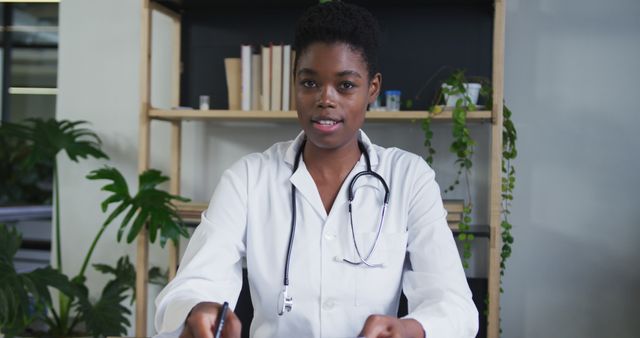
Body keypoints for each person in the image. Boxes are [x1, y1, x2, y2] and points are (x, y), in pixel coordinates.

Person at [154, 2, 478, 338]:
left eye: (346, 85)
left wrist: (412, 329)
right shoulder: (249, 178)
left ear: (372, 89)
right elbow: (196, 282)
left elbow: (453, 304)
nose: (326, 99)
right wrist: (200, 308)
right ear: (294, 82)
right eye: (309, 83)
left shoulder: (409, 178)